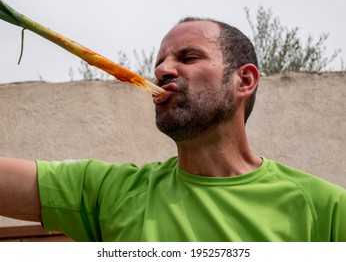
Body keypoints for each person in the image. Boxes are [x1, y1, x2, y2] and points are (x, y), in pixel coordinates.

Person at [0, 17, 345, 242]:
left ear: (245, 80)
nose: (163, 70)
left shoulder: (325, 208)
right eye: (159, 62)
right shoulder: (111, 192)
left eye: (188, 57)